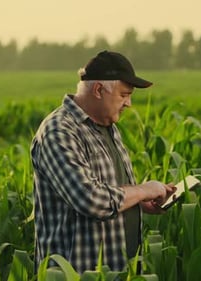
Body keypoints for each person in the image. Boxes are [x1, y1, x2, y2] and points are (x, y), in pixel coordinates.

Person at [30, 50, 176, 273]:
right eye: (124, 95)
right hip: (78, 274)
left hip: (118, 271)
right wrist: (144, 190)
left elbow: (111, 189)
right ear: (98, 90)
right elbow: (90, 199)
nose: (129, 103)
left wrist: (139, 202)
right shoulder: (59, 131)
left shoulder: (108, 127)